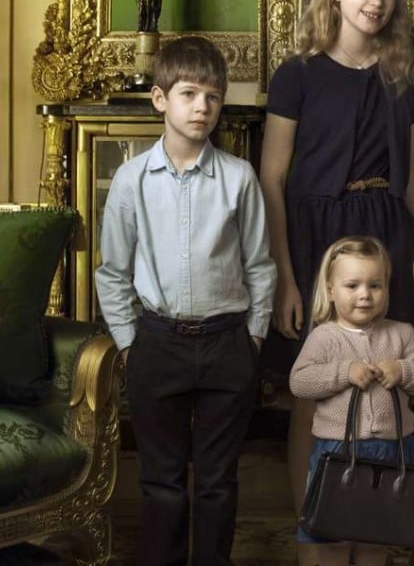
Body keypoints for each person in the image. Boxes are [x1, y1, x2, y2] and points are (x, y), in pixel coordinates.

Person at [259, 0, 414, 563]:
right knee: (315, 390)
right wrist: (285, 275)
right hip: (314, 239)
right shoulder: (298, 74)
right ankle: (316, 525)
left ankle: (380, 516)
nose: (376, 2)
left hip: (383, 233)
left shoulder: (404, 77)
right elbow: (272, 177)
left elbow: (409, 173)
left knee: (386, 380)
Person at [95, 36, 277, 565]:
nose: (202, 107)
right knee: (162, 482)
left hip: (227, 344)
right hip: (157, 343)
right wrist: (132, 343)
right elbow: (113, 273)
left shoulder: (239, 179)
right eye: (189, 94)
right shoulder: (131, 181)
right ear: (160, 99)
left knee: (218, 482)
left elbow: (259, 264)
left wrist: (255, 336)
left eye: (213, 97)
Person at [290, 236, 414, 566]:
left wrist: (402, 371)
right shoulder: (324, 337)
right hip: (338, 454)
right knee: (334, 538)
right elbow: (299, 381)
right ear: (330, 289)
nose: (364, 294)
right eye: (352, 285)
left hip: (392, 453)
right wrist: (344, 372)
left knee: (377, 539)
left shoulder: (401, 334)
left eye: (375, 285)